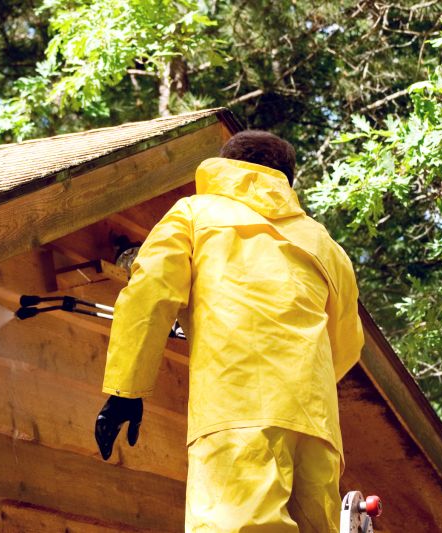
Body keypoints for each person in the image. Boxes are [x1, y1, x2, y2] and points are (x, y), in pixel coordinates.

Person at [94, 130, 364, 532]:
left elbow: (149, 295)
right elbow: (347, 343)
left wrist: (125, 392)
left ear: (226, 165)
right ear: (286, 180)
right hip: (315, 425)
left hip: (235, 410)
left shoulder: (194, 213)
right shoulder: (323, 243)